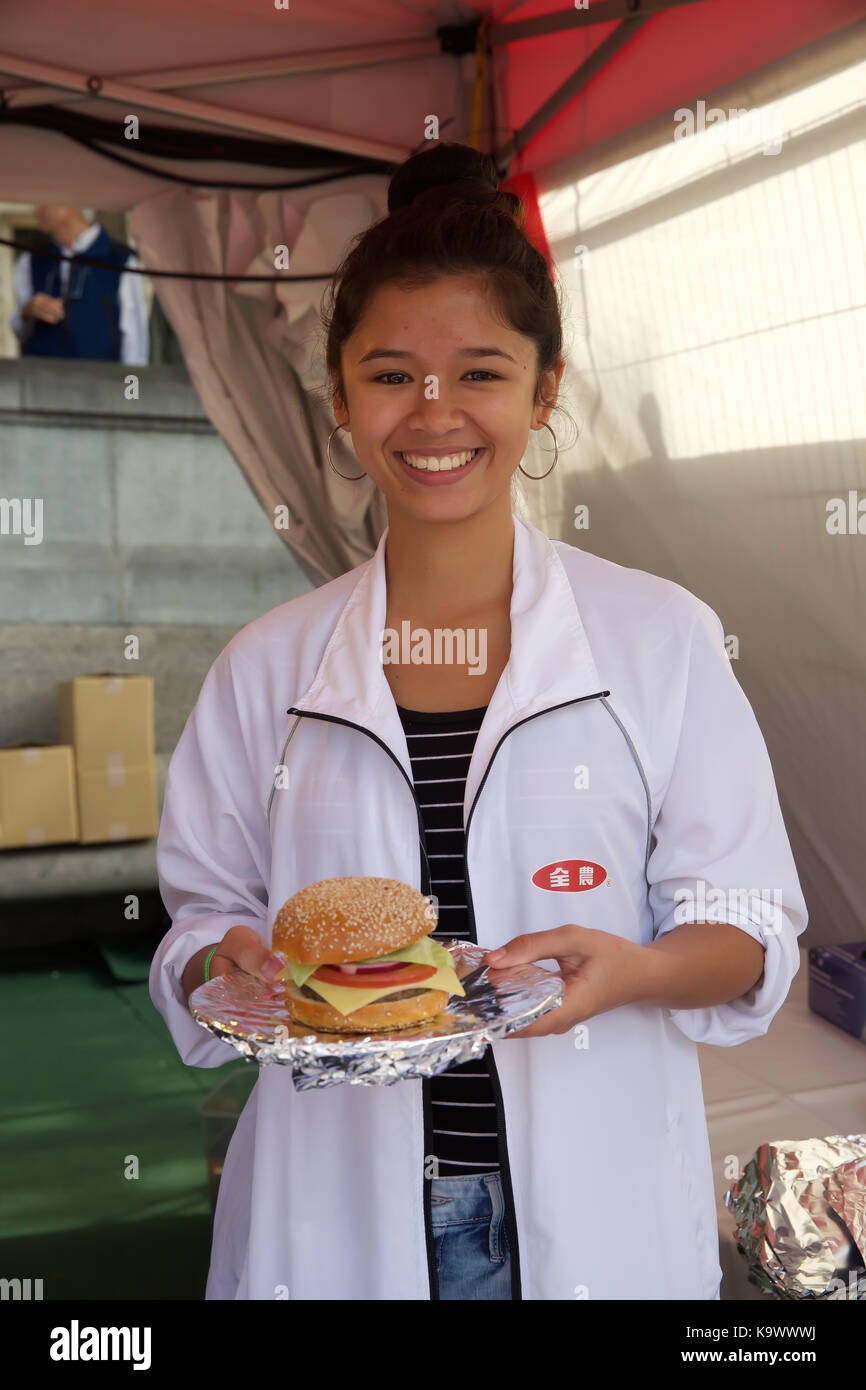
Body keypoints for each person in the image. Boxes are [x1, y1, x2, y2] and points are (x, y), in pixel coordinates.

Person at [149, 142, 807, 1300]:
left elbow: (746, 925)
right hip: (334, 1215)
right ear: (340, 395)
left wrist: (636, 969)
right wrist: (227, 957)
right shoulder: (266, 668)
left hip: (595, 1218)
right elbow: (200, 922)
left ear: (543, 388)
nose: (434, 414)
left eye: (481, 373)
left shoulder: (657, 638)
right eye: (392, 374)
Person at [11, 205, 149, 364]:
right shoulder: (31, 261)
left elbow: (135, 341)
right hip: (42, 382)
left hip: (100, 382)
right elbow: (19, 331)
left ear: (70, 204)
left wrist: (132, 388)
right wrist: (27, 312)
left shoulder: (119, 259)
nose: (37, 212)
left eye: (44, 203)